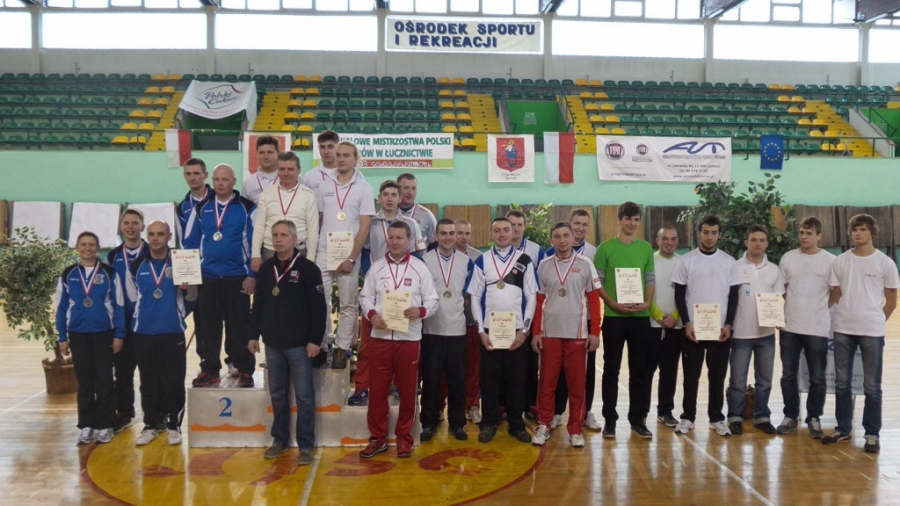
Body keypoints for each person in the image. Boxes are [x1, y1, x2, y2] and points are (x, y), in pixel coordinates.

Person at [248, 220, 327, 466]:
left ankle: (306, 445)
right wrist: (253, 335)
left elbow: (319, 308)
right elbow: (258, 304)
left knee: (304, 397)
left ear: (295, 239)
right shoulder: (266, 268)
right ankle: (280, 440)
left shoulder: (309, 269)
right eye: (275, 235)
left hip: (300, 346)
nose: (278, 239)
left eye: (283, 235)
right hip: (273, 344)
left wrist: (314, 341)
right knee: (278, 396)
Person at [358, 221, 439, 459]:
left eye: (399, 238)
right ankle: (377, 438)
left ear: (409, 241)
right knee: (377, 392)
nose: (394, 242)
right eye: (391, 237)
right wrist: (372, 314)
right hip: (380, 339)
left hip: (409, 339)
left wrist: (421, 311)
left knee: (407, 392)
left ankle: (404, 439)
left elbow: (433, 300)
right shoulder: (377, 268)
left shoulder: (419, 268)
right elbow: (365, 297)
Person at [823, 214, 899, 453]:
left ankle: (872, 433)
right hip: (843, 330)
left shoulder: (885, 263)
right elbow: (836, 294)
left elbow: (892, 300)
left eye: (863, 229)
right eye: (855, 230)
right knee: (842, 383)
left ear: (872, 233)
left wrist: (876, 320)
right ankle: (843, 428)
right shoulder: (840, 261)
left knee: (872, 386)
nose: (858, 233)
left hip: (872, 332)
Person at [349, 180, 424, 405]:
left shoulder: (411, 224)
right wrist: (373, 277)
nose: (390, 199)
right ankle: (363, 387)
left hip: (402, 293)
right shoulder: (370, 223)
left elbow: (418, 256)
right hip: (377, 291)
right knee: (368, 343)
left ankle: (400, 386)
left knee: (400, 344)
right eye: (386, 195)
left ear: (400, 198)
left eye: (394, 195)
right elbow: (364, 255)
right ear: (379, 198)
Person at [184, 163, 257, 388]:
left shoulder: (247, 207)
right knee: (208, 327)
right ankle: (210, 370)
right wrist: (188, 272)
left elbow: (255, 243)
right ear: (212, 181)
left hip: (237, 276)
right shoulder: (202, 208)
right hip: (208, 277)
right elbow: (190, 243)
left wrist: (252, 274)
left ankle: (245, 369)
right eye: (216, 180)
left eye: (225, 179)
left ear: (234, 181)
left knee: (239, 326)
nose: (220, 183)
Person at [531, 222, 601, 449]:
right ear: (551, 239)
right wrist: (536, 332)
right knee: (547, 382)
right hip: (549, 333)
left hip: (577, 333)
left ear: (572, 238)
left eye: (565, 236)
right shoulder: (543, 266)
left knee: (577, 385)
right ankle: (543, 424)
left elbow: (593, 300)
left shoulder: (586, 264)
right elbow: (539, 300)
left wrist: (595, 332)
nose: (562, 240)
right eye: (557, 236)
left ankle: (575, 429)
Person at [126, 221, 197, 446]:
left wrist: (186, 293)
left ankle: (174, 425)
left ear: (169, 237)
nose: (155, 238)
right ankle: (151, 424)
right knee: (148, 381)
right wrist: (146, 316)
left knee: (174, 381)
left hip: (172, 331)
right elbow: (132, 298)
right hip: (144, 332)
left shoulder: (181, 262)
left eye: (160, 234)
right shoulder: (136, 265)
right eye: (152, 234)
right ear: (147, 236)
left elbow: (192, 298)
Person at [468, 217, 537, 444]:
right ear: (491, 234)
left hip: (516, 331)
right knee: (489, 379)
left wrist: (524, 330)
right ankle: (489, 422)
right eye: (497, 230)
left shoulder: (524, 260)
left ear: (513, 232)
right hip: (489, 331)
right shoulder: (482, 260)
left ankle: (516, 424)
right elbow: (475, 297)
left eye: (506, 230)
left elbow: (532, 297)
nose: (502, 234)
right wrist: (481, 331)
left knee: (517, 380)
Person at [672, 215, 741, 437]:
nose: (709, 237)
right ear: (698, 233)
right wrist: (687, 323)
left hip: (720, 331)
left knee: (717, 377)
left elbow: (734, 297)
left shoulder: (729, 262)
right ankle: (687, 417)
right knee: (691, 377)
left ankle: (717, 418)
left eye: (713, 233)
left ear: (719, 235)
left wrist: (728, 325)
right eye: (705, 232)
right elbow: (679, 296)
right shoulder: (686, 261)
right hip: (693, 330)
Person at [594, 201, 656, 439]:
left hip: (640, 318)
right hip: (614, 318)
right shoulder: (605, 248)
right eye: (628, 218)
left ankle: (637, 420)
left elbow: (650, 279)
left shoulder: (646, 248)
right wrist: (612, 303)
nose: (632, 223)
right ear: (619, 220)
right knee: (611, 370)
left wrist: (647, 302)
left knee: (639, 371)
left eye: (636, 219)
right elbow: (597, 282)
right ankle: (610, 420)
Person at [56, 231, 125, 445]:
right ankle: (86, 425)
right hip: (78, 334)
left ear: (98, 248)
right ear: (77, 247)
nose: (87, 248)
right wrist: (62, 337)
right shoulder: (68, 274)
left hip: (104, 333)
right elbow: (61, 308)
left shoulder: (109, 273)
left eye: (92, 244)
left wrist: (119, 334)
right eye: (83, 244)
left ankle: (105, 425)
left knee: (104, 380)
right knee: (85, 381)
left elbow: (119, 305)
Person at [315, 141, 375, 370]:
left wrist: (352, 258)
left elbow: (364, 226)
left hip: (349, 253)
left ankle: (342, 348)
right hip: (324, 251)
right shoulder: (324, 186)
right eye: (338, 155)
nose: (340, 159)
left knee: (348, 304)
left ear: (355, 159)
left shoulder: (364, 188)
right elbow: (319, 220)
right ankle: (322, 346)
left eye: (346, 155)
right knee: (320, 301)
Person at [776, 217, 835, 439]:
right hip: (790, 327)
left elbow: (836, 292)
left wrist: (820, 308)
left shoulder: (830, 261)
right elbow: (782, 288)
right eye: (801, 232)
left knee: (817, 377)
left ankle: (814, 417)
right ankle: (790, 416)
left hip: (817, 329)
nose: (804, 236)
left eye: (809, 233)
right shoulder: (788, 258)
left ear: (819, 236)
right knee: (788, 375)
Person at [726, 225, 785, 435]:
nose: (757, 243)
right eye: (753, 240)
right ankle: (735, 417)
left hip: (766, 335)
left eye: (761, 240)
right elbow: (729, 297)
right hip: (741, 333)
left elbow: (779, 298)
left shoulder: (774, 269)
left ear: (767, 243)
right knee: (737, 380)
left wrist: (777, 316)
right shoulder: (734, 267)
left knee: (765, 380)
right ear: (746, 242)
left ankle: (762, 417)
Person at [420, 219, 475, 442]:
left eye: (452, 233)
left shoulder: (467, 262)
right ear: (435, 236)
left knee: (457, 380)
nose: (448, 237)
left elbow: (469, 295)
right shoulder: (424, 260)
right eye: (443, 233)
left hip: (457, 329)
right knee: (431, 380)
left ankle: (457, 423)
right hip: (431, 329)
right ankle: (429, 423)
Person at [105, 208, 149, 433]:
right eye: (127, 223)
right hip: (122, 323)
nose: (131, 227)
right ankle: (125, 412)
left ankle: (156, 414)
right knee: (123, 371)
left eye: (135, 223)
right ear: (121, 227)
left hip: (148, 323)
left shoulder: (154, 251)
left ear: (142, 226)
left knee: (151, 371)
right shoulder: (112, 256)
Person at [176, 157, 220, 374]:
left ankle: (233, 359)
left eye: (196, 173)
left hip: (221, 268)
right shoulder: (182, 207)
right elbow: (183, 242)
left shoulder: (220, 199)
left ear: (205, 175)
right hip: (197, 271)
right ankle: (206, 360)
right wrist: (186, 273)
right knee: (202, 317)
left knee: (230, 318)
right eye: (188, 174)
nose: (192, 178)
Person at [251, 151, 319, 273]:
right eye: (282, 169)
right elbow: (259, 226)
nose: (286, 173)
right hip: (270, 251)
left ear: (298, 170)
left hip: (298, 251)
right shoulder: (267, 193)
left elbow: (313, 229)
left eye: (290, 169)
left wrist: (310, 258)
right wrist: (255, 254)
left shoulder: (308, 195)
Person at [506, 209, 544, 420]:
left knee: (530, 361)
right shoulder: (498, 250)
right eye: (511, 225)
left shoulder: (536, 250)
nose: (515, 229)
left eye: (519, 225)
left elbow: (541, 284)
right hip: (505, 314)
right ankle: (503, 404)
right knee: (505, 360)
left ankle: (530, 403)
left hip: (528, 312)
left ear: (524, 227)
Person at [648, 225, 683, 430]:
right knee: (646, 371)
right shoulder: (650, 260)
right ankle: (641, 413)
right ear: (657, 241)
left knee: (669, 372)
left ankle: (665, 411)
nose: (669, 243)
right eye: (665, 238)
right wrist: (659, 316)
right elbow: (645, 291)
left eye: (673, 238)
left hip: (675, 327)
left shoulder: (682, 263)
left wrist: (675, 317)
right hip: (651, 326)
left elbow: (686, 294)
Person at [455, 219, 484, 424]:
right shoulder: (442, 256)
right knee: (450, 369)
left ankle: (472, 406)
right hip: (449, 322)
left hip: (472, 321)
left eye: (467, 233)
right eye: (459, 233)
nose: (463, 237)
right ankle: (442, 407)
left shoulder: (479, 258)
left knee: (473, 368)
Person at [397, 173, 438, 245]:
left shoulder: (427, 215)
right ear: (398, 189)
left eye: (413, 188)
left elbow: (434, 243)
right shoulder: (390, 213)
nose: (410, 192)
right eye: (406, 188)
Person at [242, 135, 280, 205]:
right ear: (257, 154)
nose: (266, 157)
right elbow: (245, 210)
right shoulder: (248, 183)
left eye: (270, 152)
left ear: (278, 153)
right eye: (262, 153)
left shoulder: (291, 178)